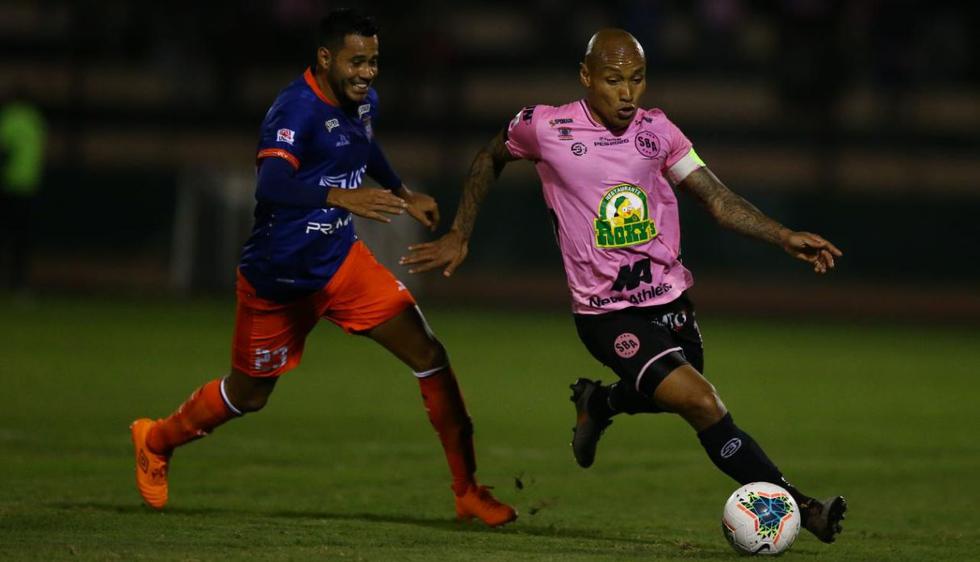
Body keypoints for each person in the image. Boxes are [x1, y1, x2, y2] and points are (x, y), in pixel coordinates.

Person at [401, 28, 846, 542]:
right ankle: (801, 506)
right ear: (587, 77)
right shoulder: (547, 126)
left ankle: (600, 403)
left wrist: (782, 235)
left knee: (678, 393)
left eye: (636, 80)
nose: (627, 93)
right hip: (605, 313)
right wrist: (460, 231)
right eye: (613, 80)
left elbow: (718, 201)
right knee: (702, 403)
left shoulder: (658, 131)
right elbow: (489, 156)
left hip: (671, 300)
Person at [129, 9, 517, 527]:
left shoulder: (362, 102)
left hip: (340, 263)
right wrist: (339, 195)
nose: (367, 73)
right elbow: (271, 184)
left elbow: (363, 146)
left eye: (374, 62)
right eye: (357, 61)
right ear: (326, 57)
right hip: (278, 278)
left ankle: (467, 489)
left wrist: (402, 191)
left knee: (430, 354)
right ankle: (156, 440)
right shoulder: (294, 110)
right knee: (248, 394)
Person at [0, 90, 46, 292]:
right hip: (29, 185)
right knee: (21, 241)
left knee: (7, 237)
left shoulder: (9, 117)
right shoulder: (36, 120)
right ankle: (19, 284)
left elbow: (4, 149)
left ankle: (10, 282)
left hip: (9, 185)